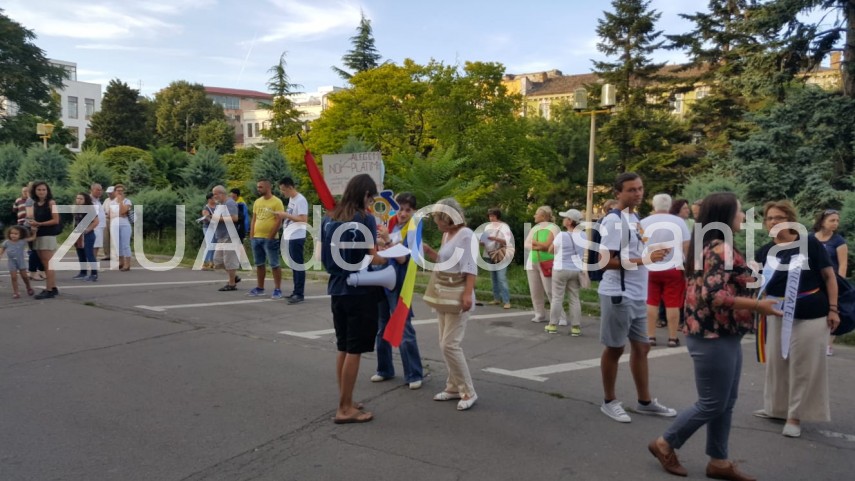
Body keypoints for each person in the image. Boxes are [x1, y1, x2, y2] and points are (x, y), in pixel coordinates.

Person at [648, 192, 781, 481]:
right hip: (712, 335)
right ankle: (665, 443)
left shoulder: (707, 245)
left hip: (722, 333)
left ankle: (718, 462)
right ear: (724, 215)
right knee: (712, 402)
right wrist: (758, 305)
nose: (743, 216)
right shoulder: (718, 248)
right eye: (739, 211)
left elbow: (722, 284)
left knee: (726, 401)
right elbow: (713, 296)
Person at [753, 200, 839, 438]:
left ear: (790, 219)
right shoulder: (764, 250)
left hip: (810, 313)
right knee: (776, 364)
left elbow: (829, 277)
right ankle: (777, 408)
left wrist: (833, 309)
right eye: (770, 218)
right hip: (776, 313)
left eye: (779, 217)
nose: (774, 222)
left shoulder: (808, 243)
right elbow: (758, 283)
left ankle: (794, 416)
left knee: (803, 365)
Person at [597, 172, 676, 423]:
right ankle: (609, 401)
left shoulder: (634, 218)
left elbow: (634, 250)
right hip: (617, 294)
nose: (638, 193)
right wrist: (645, 259)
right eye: (631, 190)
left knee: (642, 347)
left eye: (641, 188)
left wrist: (653, 252)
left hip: (637, 293)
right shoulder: (613, 221)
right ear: (618, 193)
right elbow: (603, 262)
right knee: (615, 347)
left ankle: (645, 401)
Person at [321, 173, 384, 424]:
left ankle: (345, 398)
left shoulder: (330, 217)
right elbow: (372, 257)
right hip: (359, 290)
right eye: (371, 198)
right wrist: (389, 256)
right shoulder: (364, 219)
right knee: (355, 349)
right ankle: (345, 408)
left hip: (337, 288)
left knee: (344, 347)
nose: (371, 204)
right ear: (365, 195)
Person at [423, 198, 479, 411]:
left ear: (447, 218)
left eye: (438, 219)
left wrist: (467, 294)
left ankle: (468, 391)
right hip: (444, 292)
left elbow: (470, 266)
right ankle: (453, 387)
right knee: (444, 343)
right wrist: (430, 252)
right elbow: (446, 261)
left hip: (457, 294)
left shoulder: (466, 235)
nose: (436, 223)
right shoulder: (448, 234)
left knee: (449, 345)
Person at [372, 192, 424, 390]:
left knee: (403, 328)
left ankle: (414, 373)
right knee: (382, 326)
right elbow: (382, 250)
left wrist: (387, 241)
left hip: (400, 283)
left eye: (407, 210)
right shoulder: (391, 224)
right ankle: (384, 369)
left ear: (414, 212)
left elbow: (403, 259)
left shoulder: (414, 229)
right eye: (400, 208)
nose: (403, 213)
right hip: (382, 279)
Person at [642, 193, 690, 347]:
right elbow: (686, 245)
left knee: (651, 301)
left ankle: (650, 336)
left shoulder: (643, 222)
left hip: (650, 267)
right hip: (673, 267)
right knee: (673, 303)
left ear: (653, 206)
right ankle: (672, 337)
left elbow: (638, 245)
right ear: (669, 206)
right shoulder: (679, 222)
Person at [810, 208, 847, 356]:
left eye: (837, 221)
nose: (835, 223)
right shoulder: (811, 237)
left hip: (832, 281)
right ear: (822, 221)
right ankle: (814, 341)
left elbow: (843, 264)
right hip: (813, 282)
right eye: (832, 220)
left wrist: (839, 283)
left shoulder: (838, 241)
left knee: (832, 311)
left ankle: (828, 344)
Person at [546, 208, 585, 336]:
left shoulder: (562, 235)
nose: (563, 220)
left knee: (557, 298)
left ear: (569, 221)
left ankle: (552, 325)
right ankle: (576, 327)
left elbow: (551, 250)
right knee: (574, 298)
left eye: (565, 218)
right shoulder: (583, 236)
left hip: (561, 268)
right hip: (576, 269)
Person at [526, 206, 564, 324]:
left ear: (543, 216)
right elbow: (526, 243)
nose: (534, 216)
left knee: (550, 290)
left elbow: (548, 246)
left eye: (536, 214)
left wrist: (536, 244)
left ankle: (560, 316)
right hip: (533, 261)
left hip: (547, 262)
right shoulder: (535, 228)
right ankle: (539, 314)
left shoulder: (553, 228)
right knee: (535, 290)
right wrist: (540, 246)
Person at [248, 179, 284, 298]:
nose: (258, 189)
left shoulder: (276, 202)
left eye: (260, 187)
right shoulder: (257, 202)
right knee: (259, 264)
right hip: (257, 237)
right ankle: (260, 287)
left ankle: (277, 289)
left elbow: (279, 220)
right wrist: (252, 234)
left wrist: (271, 236)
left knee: (274, 264)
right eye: (258, 187)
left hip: (270, 239)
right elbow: (254, 218)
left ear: (268, 187)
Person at [277, 177, 309, 304]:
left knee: (298, 265)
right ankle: (296, 291)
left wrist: (286, 215)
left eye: (284, 190)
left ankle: (299, 293)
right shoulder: (292, 199)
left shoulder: (300, 200)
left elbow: (303, 219)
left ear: (290, 187)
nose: (283, 193)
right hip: (290, 235)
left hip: (297, 236)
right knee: (293, 265)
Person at [28, 181, 61, 299]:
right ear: (35, 191)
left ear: (47, 191)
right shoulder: (35, 204)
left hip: (48, 235)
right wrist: (33, 225)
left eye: (44, 189)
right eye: (39, 190)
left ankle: (49, 290)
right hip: (39, 235)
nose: (41, 192)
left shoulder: (51, 203)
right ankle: (53, 287)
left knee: (48, 264)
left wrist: (39, 223)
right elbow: (33, 219)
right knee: (44, 262)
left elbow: (56, 220)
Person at [480, 207, 513, 309]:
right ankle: (496, 298)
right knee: (493, 278)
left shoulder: (504, 226)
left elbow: (507, 241)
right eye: (490, 216)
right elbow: (484, 241)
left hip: (500, 254)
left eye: (493, 216)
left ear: (497, 216)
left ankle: (506, 301)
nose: (491, 218)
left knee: (501, 278)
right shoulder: (487, 227)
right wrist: (482, 242)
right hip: (489, 253)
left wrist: (494, 238)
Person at [211, 185, 241, 292]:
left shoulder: (230, 203)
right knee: (218, 261)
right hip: (221, 235)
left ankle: (232, 284)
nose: (214, 196)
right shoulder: (220, 204)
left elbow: (234, 218)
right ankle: (234, 276)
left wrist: (218, 218)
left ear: (221, 193)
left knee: (229, 260)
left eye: (215, 194)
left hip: (229, 235)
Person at [1, 225, 34, 298]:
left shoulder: (22, 241)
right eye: (12, 233)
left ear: (20, 235)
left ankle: (28, 287)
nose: (13, 235)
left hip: (21, 261)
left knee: (25, 276)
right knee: (13, 277)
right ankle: (16, 292)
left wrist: (34, 232)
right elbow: (2, 249)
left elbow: (32, 238)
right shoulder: (7, 242)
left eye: (16, 234)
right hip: (12, 262)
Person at [72, 192, 99, 282]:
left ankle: (94, 274)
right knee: (81, 254)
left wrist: (88, 229)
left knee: (89, 254)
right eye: (77, 198)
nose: (78, 200)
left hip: (88, 235)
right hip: (78, 235)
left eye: (81, 199)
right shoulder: (76, 208)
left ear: (85, 200)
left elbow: (96, 221)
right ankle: (83, 272)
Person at [200, 193, 217, 271]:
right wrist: (212, 219)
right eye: (213, 198)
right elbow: (206, 216)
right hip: (208, 228)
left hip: (216, 228)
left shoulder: (217, 206)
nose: (215, 199)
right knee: (209, 245)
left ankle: (212, 262)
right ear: (209, 199)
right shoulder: (206, 207)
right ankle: (204, 262)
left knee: (214, 245)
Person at [90, 183, 106, 261]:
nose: (100, 192)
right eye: (97, 190)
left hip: (100, 227)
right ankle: (92, 265)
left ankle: (93, 264)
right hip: (95, 226)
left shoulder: (97, 201)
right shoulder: (90, 200)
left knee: (97, 246)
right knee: (94, 246)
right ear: (92, 190)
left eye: (100, 190)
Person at [101, 186, 116, 261]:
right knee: (105, 238)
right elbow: (102, 210)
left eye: (111, 193)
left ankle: (115, 254)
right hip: (106, 219)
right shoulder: (106, 200)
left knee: (114, 238)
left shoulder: (117, 200)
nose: (109, 194)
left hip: (115, 220)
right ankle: (107, 254)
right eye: (108, 193)